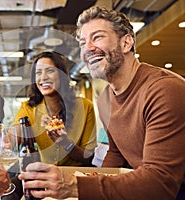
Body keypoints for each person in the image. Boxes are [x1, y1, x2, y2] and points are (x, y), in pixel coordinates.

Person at [18, 6, 185, 200]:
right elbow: (115, 154)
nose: (87, 48)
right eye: (82, 42)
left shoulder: (163, 89)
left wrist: (75, 186)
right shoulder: (106, 97)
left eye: (97, 37)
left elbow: (161, 183)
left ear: (126, 43)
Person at [15, 51, 96, 166]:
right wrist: (2, 142)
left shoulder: (85, 107)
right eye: (38, 73)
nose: (43, 77)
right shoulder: (28, 108)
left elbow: (89, 157)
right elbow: (14, 135)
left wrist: (66, 143)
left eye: (50, 71)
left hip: (76, 176)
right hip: (45, 176)